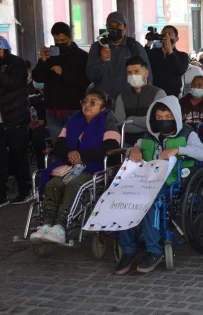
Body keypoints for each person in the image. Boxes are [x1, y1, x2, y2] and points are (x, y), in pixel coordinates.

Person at [116, 95, 203, 274]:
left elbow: (202, 154)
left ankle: (154, 250)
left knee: (150, 202)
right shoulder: (148, 137)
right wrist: (133, 149)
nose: (164, 121)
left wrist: (178, 150)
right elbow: (134, 149)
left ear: (176, 116)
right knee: (123, 200)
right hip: (147, 180)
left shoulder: (187, 134)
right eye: (159, 118)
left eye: (168, 117)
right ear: (153, 118)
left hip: (173, 181)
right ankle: (128, 250)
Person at [29, 89, 120, 243]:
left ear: (102, 107)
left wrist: (82, 156)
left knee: (74, 184)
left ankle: (61, 226)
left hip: (94, 166)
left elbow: (111, 145)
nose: (87, 105)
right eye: (85, 101)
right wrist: (70, 152)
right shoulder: (74, 120)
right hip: (70, 166)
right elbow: (59, 144)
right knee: (53, 184)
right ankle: (47, 224)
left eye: (93, 103)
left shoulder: (107, 120)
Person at [32, 22, 90, 141]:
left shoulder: (81, 56)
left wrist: (63, 73)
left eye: (62, 40)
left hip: (73, 109)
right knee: (58, 147)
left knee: (74, 145)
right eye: (56, 40)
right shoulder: (50, 55)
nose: (59, 43)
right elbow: (37, 77)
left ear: (70, 38)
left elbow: (85, 82)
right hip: (52, 110)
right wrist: (42, 61)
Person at [86, 12, 152, 101]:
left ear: (125, 27)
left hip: (130, 100)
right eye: (111, 26)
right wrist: (102, 61)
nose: (114, 29)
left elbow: (147, 75)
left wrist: (146, 97)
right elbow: (92, 76)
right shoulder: (97, 47)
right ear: (106, 27)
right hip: (104, 101)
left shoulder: (134, 47)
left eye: (118, 26)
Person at [0, 36, 32, 205]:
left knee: (18, 154)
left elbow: (15, 83)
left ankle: (25, 189)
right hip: (2, 119)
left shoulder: (16, 63)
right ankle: (2, 195)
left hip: (15, 117)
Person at [114, 56, 167, 147]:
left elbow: (156, 122)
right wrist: (145, 123)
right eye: (129, 72)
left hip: (153, 141)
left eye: (136, 71)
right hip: (127, 143)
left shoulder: (158, 93)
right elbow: (121, 125)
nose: (133, 75)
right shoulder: (122, 97)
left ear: (146, 73)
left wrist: (132, 119)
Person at [146, 25, 189, 97]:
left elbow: (179, 70)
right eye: (164, 33)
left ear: (176, 38)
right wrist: (149, 43)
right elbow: (142, 60)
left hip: (173, 94)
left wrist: (169, 50)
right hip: (154, 92)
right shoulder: (153, 52)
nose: (166, 36)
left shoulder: (182, 55)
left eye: (170, 34)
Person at [180, 75, 203, 146]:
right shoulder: (182, 101)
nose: (196, 87)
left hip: (202, 136)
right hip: (184, 134)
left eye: (199, 85)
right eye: (193, 85)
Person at [29, 80, 51, 171]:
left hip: (54, 125)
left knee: (39, 137)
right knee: (36, 136)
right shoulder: (34, 97)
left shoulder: (54, 95)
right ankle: (41, 169)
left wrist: (45, 121)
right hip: (39, 126)